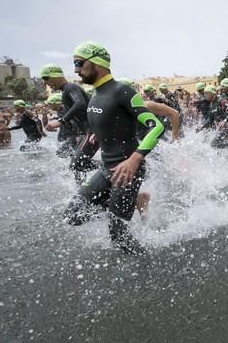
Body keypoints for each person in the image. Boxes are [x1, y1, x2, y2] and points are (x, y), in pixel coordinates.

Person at [63, 41, 164, 254]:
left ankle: (151, 272)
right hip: (106, 169)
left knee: (119, 238)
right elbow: (110, 124)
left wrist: (134, 159)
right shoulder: (95, 96)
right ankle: (133, 201)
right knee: (72, 215)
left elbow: (156, 127)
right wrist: (96, 137)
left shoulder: (122, 91)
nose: (76, 70)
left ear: (97, 63)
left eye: (79, 63)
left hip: (128, 170)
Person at [40, 63, 99, 181]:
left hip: (92, 132)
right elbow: (77, 116)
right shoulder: (66, 91)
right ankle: (81, 190)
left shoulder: (70, 87)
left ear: (55, 76)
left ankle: (111, 168)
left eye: (46, 78)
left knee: (75, 164)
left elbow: (80, 103)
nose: (45, 83)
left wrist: (61, 121)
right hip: (86, 133)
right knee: (76, 165)